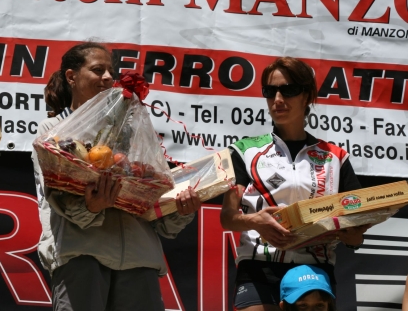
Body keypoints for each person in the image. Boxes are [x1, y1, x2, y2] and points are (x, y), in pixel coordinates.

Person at [32, 42, 201, 311]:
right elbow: (57, 201)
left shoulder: (133, 134)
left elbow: (157, 214)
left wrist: (180, 209)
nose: (109, 78)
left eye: (111, 71)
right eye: (98, 70)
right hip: (82, 257)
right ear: (71, 76)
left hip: (139, 260)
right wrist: (91, 207)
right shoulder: (53, 132)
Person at [220, 56, 368, 310]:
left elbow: (357, 220)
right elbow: (227, 217)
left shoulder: (335, 157)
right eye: (270, 91)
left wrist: (353, 236)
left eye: (288, 90)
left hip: (313, 268)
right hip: (258, 266)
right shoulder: (242, 150)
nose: (278, 99)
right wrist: (255, 221)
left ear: (307, 95)